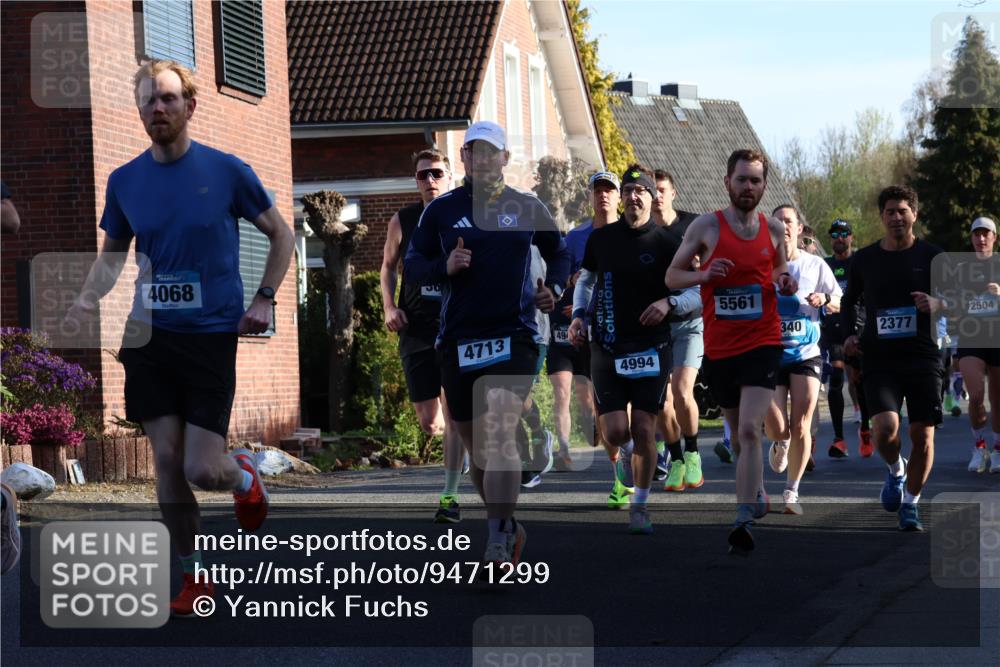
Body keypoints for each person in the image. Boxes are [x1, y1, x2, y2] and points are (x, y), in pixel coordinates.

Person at [65, 60, 294, 615]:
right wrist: (85, 299)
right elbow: (113, 257)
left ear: (190, 106)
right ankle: (194, 578)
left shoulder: (227, 171)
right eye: (148, 101)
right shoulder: (124, 182)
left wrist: (264, 298)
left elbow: (282, 234)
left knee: (199, 468)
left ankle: (241, 477)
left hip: (212, 333)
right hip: (148, 335)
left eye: (168, 99)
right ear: (139, 110)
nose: (157, 109)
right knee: (166, 462)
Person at [404, 121, 569, 568]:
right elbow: (414, 265)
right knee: (478, 449)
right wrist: (446, 265)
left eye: (491, 152)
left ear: (505, 159)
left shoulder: (526, 206)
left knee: (498, 432)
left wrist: (553, 288)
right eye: (473, 152)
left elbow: (561, 252)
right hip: (458, 339)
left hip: (515, 335)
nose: (482, 159)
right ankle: (508, 525)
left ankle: (496, 537)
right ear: (464, 159)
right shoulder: (440, 212)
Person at [666, 148, 797, 554]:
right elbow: (672, 276)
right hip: (721, 346)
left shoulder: (774, 230)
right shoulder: (707, 227)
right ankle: (756, 489)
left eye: (756, 181)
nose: (748, 187)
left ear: (763, 185)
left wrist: (785, 281)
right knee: (740, 441)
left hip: (762, 341)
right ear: (727, 182)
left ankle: (742, 516)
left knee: (746, 431)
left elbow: (778, 270)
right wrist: (705, 273)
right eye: (742, 180)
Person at [569, 164, 678, 534]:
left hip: (652, 345)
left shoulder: (666, 242)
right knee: (615, 432)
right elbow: (586, 280)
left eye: (641, 191)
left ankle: (640, 506)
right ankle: (628, 451)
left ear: (651, 197)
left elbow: (694, 290)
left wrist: (670, 305)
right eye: (628, 190)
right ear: (622, 197)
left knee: (645, 427)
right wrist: (580, 315)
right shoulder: (602, 240)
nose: (633, 196)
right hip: (608, 344)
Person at [841, 185, 944, 532]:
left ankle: (911, 504)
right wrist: (849, 335)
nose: (896, 217)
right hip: (880, 357)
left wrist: (937, 303)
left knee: (923, 436)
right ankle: (896, 471)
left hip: (922, 356)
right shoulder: (865, 259)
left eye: (903, 211)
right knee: (885, 430)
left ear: (914, 214)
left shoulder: (933, 257)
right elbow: (849, 301)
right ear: (881, 217)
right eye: (890, 211)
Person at [381, 148, 467, 523]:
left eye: (436, 173)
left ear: (449, 177)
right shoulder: (403, 220)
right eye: (422, 175)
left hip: (454, 324)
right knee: (430, 421)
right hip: (414, 325)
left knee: (453, 408)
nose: (429, 181)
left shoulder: (464, 217)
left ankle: (449, 495)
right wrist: (388, 307)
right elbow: (387, 268)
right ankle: (458, 439)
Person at [556, 171, 627, 507]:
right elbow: (569, 282)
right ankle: (620, 474)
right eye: (598, 190)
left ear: (619, 197)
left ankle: (640, 459)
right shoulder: (576, 238)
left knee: (632, 409)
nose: (603, 197)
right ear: (591, 197)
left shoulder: (634, 232)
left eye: (609, 191)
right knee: (602, 406)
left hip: (631, 331)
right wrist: (576, 308)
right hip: (592, 330)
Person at [764, 205, 841, 514]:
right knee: (778, 426)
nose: (783, 225)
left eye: (788, 221)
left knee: (802, 423)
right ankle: (779, 441)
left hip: (806, 353)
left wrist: (824, 300)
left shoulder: (815, 265)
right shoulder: (762, 264)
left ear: (798, 229)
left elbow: (839, 299)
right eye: (777, 221)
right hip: (770, 351)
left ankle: (791, 491)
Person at [650, 169, 705, 490]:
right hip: (654, 329)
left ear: (674, 193)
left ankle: (694, 453)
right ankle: (677, 458)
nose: (656, 195)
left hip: (690, 322)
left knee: (683, 391)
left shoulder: (694, 226)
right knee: (661, 402)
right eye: (651, 190)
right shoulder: (641, 231)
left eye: (661, 189)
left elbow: (711, 270)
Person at [948, 217, 1000, 473]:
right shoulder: (961, 270)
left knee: (998, 398)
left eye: (986, 234)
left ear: (994, 237)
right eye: (976, 235)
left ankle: (998, 449)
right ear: (971, 239)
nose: (981, 239)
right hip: (971, 337)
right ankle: (979, 447)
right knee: (976, 395)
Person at [821, 219, 872, 458]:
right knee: (836, 378)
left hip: (857, 328)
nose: (839, 237)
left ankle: (865, 428)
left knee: (859, 380)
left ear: (851, 237)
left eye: (844, 233)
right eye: (834, 234)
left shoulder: (860, 262)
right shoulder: (824, 265)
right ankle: (839, 439)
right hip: (832, 331)